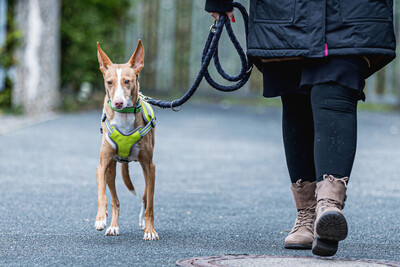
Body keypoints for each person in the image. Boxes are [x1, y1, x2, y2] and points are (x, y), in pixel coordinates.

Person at [205, 0, 396, 257]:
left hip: (350, 11)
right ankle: (307, 213)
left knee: (336, 86)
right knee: (294, 95)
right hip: (284, 12)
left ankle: (328, 206)